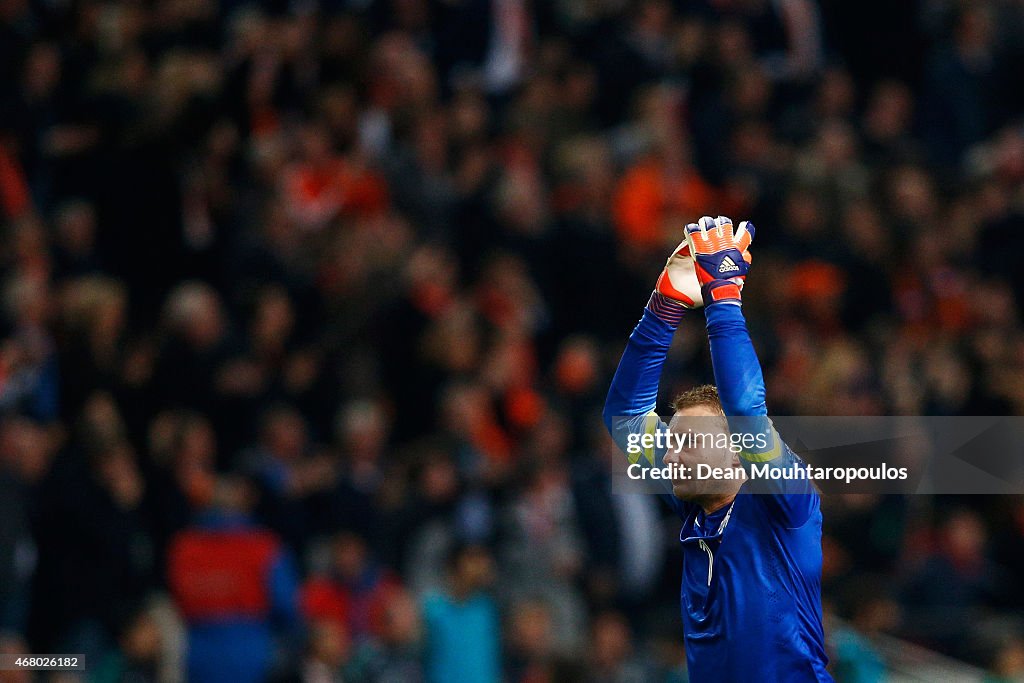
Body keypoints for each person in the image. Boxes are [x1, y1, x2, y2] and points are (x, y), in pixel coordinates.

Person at [603, 215, 830, 681]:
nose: (670, 455)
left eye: (687, 443)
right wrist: (665, 303)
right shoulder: (694, 511)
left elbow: (746, 408)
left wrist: (723, 300)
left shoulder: (783, 502)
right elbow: (625, 418)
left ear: (737, 453)